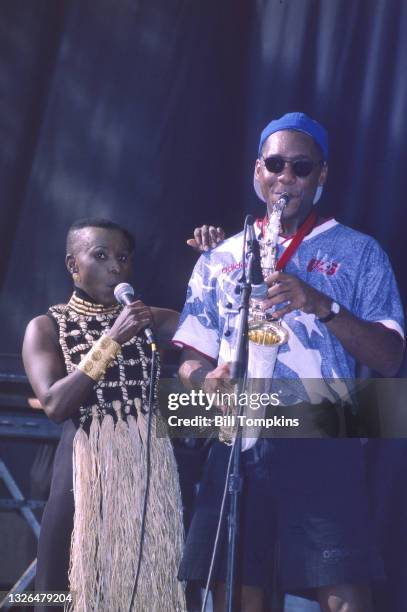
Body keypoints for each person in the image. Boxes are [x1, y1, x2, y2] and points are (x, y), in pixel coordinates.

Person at [173, 113, 405, 611]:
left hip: (322, 432)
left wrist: (323, 305)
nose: (286, 179)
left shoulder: (360, 252)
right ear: (258, 171)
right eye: (275, 165)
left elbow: (390, 359)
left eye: (301, 168)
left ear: (322, 176)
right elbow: (191, 358)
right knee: (237, 592)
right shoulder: (220, 256)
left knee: (343, 594)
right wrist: (205, 381)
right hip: (239, 439)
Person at [22, 218, 187, 612]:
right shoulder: (46, 326)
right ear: (72, 265)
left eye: (123, 257)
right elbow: (55, 404)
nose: (116, 266)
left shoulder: (149, 320)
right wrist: (111, 340)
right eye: (101, 255)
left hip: (149, 472)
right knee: (60, 589)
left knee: (151, 589)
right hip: (80, 470)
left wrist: (214, 262)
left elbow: (217, 330)